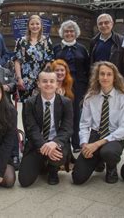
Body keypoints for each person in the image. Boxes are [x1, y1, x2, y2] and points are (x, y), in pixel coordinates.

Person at [72, 61, 124, 185]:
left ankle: (111, 167)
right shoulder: (90, 96)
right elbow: (84, 124)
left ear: (114, 77)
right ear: (97, 76)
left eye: (109, 74)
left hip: (114, 137)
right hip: (95, 134)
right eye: (102, 74)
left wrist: (96, 144)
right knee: (77, 178)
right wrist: (84, 144)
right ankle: (98, 160)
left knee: (108, 152)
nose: (105, 77)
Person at [18, 69, 73, 187]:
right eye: (44, 81)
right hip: (37, 143)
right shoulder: (30, 103)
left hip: (57, 142)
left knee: (57, 157)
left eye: (52, 81)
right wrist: (44, 145)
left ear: (57, 84)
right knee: (24, 181)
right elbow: (31, 129)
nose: (48, 84)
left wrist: (55, 143)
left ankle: (53, 169)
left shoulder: (66, 103)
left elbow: (67, 129)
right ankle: (42, 161)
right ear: (38, 84)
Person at [53, 20, 90, 152]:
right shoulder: (56, 48)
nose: (69, 33)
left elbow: (88, 68)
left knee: (76, 114)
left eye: (71, 31)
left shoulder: (82, 49)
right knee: (61, 113)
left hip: (79, 85)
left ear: (76, 33)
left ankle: (76, 143)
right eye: (66, 31)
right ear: (62, 33)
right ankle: (62, 142)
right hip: (60, 85)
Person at [14, 15, 54, 105]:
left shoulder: (46, 41)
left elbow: (49, 62)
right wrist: (19, 78)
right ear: (28, 26)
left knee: (40, 107)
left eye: (37, 24)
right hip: (25, 80)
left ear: (41, 25)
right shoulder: (21, 41)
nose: (35, 26)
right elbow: (17, 61)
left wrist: (43, 78)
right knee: (26, 109)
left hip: (40, 81)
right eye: (32, 24)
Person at [89, 14, 124, 79]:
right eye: (100, 23)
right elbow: (91, 62)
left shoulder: (121, 40)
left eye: (106, 23)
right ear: (97, 26)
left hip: (115, 78)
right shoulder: (93, 41)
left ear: (112, 24)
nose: (103, 25)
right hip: (98, 78)